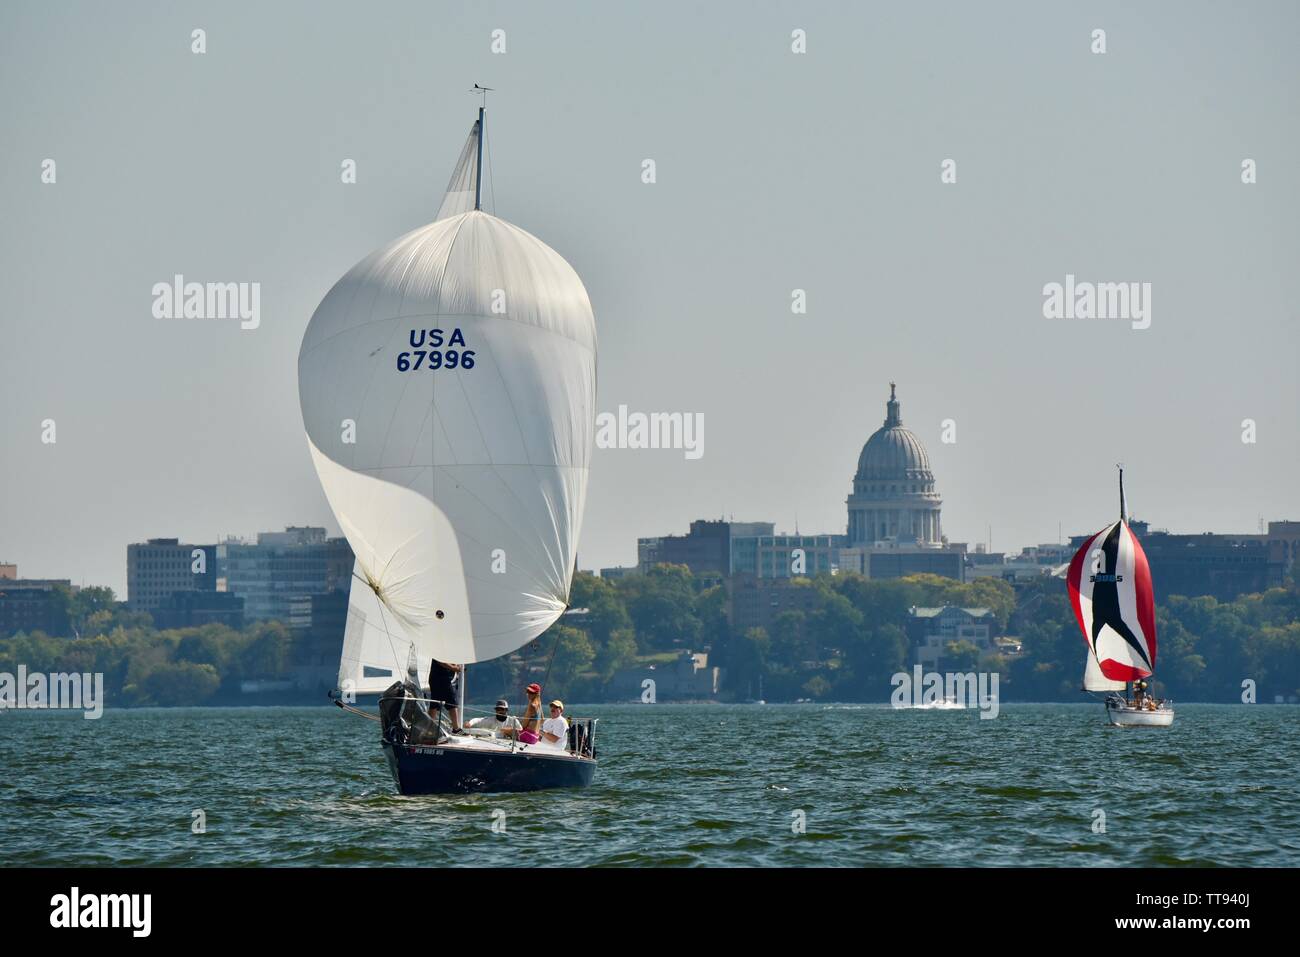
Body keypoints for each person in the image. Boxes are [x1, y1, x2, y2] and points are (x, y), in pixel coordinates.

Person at [427, 659, 463, 733]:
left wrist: (456, 665)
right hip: (440, 678)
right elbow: (439, 660)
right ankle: (456, 729)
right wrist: (454, 668)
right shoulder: (439, 650)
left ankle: (428, 728)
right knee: (451, 702)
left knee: (435, 704)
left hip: (437, 678)